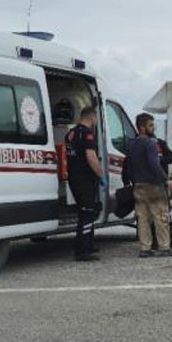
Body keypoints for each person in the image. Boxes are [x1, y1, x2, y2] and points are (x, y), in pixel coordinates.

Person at [126, 112, 172, 258]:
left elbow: (128, 166)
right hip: (153, 185)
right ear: (142, 128)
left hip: (138, 186)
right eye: (150, 125)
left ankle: (145, 248)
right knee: (161, 217)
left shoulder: (132, 145)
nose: (153, 128)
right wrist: (166, 179)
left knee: (142, 219)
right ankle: (164, 247)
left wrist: (132, 181)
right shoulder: (150, 144)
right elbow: (154, 164)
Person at [65, 106, 105, 261]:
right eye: (95, 119)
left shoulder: (71, 133)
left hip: (74, 177)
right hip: (85, 179)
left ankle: (88, 244)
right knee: (87, 213)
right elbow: (91, 158)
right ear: (92, 117)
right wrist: (101, 175)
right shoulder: (87, 134)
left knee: (86, 211)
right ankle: (82, 251)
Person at [149, 137, 172, 252]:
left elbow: (171, 157)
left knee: (165, 214)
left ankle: (170, 240)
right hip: (148, 183)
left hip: (161, 183)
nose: (153, 128)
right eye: (150, 125)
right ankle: (154, 241)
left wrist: (159, 160)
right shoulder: (140, 142)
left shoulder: (160, 143)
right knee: (150, 216)